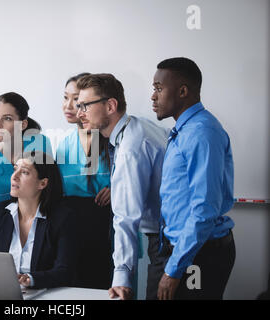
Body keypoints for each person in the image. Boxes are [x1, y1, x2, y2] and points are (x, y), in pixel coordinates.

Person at [75, 73, 168, 300]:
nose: (79, 114)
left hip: (168, 244)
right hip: (170, 240)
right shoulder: (137, 127)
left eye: (85, 106)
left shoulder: (130, 147)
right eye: (78, 106)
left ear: (110, 106)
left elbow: (126, 216)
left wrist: (121, 276)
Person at [151, 57, 235, 300]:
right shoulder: (185, 130)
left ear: (183, 91)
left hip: (198, 254)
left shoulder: (201, 132)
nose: (152, 96)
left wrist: (174, 269)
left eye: (158, 88)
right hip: (185, 251)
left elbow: (204, 208)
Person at [0, 151, 78, 289]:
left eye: (24, 172)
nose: (14, 176)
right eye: (15, 169)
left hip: (43, 294)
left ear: (42, 183)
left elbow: (64, 271)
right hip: (0, 291)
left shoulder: (62, 218)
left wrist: (31, 279)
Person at [0, 92, 52, 251]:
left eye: (7, 118)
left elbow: (48, 192)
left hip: (29, 225)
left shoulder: (40, 146)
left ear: (23, 124)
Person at [55, 73, 113, 289]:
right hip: (71, 232)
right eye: (65, 97)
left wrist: (116, 189)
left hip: (106, 231)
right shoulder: (62, 145)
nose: (70, 106)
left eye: (78, 99)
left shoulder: (111, 141)